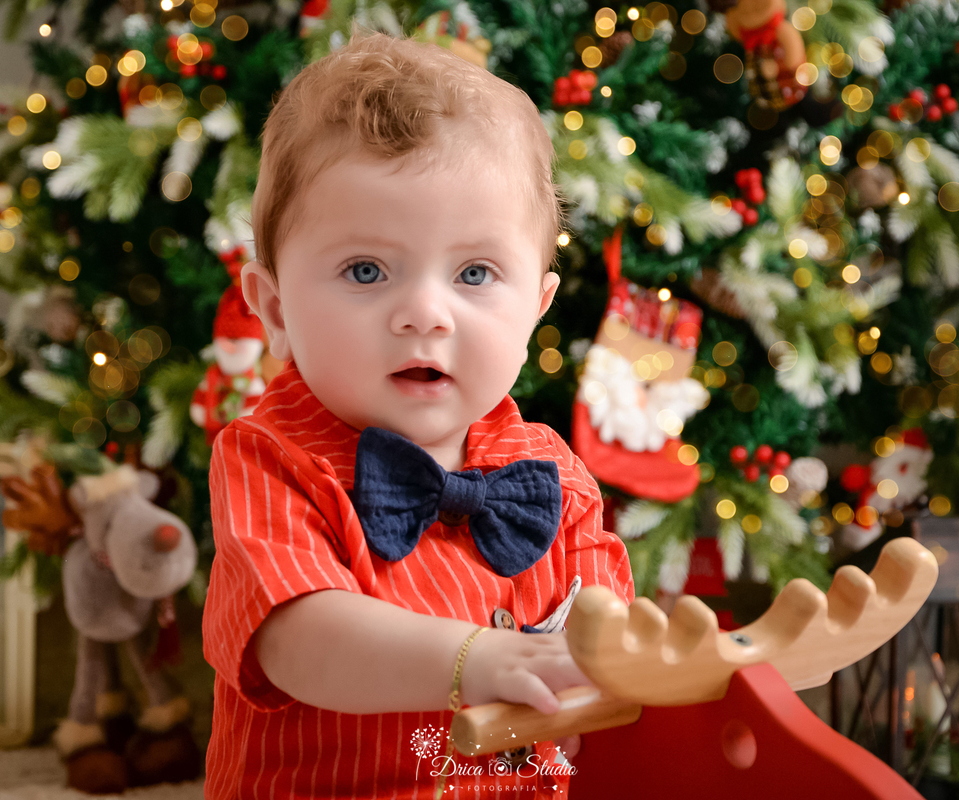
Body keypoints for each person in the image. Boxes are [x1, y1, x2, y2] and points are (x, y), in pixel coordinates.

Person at [201, 27, 635, 799]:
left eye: (475, 272)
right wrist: (479, 661)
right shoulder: (268, 456)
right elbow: (300, 638)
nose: (425, 313)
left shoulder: (554, 474)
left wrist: (634, 657)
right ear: (273, 307)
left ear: (535, 309)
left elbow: (601, 626)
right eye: (366, 270)